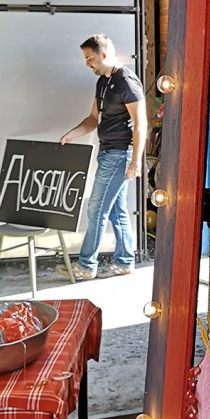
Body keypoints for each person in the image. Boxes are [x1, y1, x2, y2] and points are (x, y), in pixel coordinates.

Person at [58, 33, 146, 280]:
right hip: (106, 152)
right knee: (117, 210)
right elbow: (92, 118)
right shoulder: (102, 82)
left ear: (104, 54)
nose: (87, 63)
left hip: (119, 154)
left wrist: (135, 162)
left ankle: (86, 266)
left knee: (96, 208)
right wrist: (72, 134)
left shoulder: (126, 81)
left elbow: (141, 123)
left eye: (90, 58)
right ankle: (125, 262)